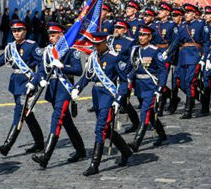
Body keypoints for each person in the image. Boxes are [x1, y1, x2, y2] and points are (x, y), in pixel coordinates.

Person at [71, 28, 133, 176]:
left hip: (108, 95)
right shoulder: (93, 57)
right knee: (106, 129)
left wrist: (119, 98)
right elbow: (87, 76)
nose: (96, 47)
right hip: (97, 94)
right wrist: (77, 88)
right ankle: (125, 151)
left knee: (100, 128)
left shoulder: (114, 58)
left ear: (105, 42)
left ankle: (95, 164)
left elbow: (124, 81)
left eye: (98, 44)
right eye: (94, 44)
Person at [0, 20, 45, 155]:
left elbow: (42, 65)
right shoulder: (11, 47)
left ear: (25, 31)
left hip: (27, 83)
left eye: (19, 30)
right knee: (27, 114)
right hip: (16, 83)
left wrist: (36, 81)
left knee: (20, 112)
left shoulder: (32, 46)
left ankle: (7, 145)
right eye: (14, 31)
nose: (16, 33)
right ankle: (39, 143)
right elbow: (1, 59)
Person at [29, 23, 86, 169]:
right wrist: (34, 82)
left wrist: (63, 66)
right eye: (50, 34)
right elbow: (42, 70)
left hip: (64, 90)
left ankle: (46, 156)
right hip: (53, 90)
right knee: (66, 121)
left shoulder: (71, 50)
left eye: (54, 34)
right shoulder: (48, 50)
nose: (51, 37)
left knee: (57, 119)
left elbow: (78, 70)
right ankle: (80, 150)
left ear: (61, 35)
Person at [128, 25, 169, 150]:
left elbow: (163, 71)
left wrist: (160, 87)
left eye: (144, 35)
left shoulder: (155, 51)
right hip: (140, 86)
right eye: (140, 35)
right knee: (150, 113)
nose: (141, 37)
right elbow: (134, 68)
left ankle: (136, 142)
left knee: (145, 113)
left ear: (150, 37)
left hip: (151, 86)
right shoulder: (135, 50)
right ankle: (162, 134)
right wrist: (129, 78)